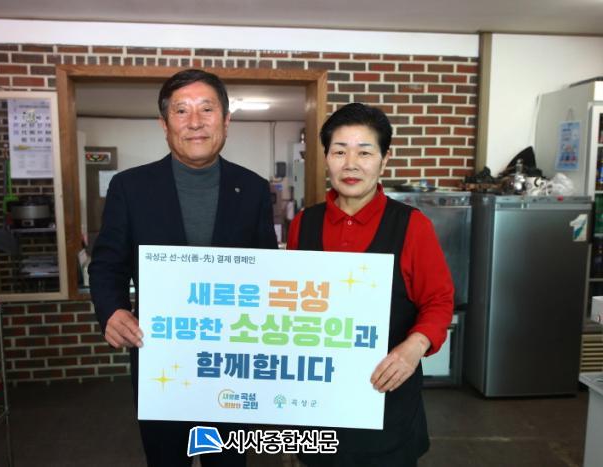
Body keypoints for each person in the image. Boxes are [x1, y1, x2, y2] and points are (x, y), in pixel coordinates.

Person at [88, 69, 278, 467]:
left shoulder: (254, 189)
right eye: (181, 110)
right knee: (165, 459)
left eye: (207, 109)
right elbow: (107, 264)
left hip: (232, 361)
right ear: (164, 123)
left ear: (226, 120)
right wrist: (112, 309)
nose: (195, 122)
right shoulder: (129, 187)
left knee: (227, 461)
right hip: (161, 358)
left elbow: (267, 269)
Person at [286, 103, 454, 467]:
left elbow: (439, 300)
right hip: (320, 400)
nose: (351, 164)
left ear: (384, 159)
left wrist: (413, 348)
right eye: (339, 152)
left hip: (387, 396)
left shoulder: (413, 226)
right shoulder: (304, 223)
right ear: (326, 158)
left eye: (364, 152)